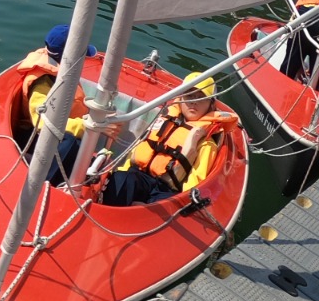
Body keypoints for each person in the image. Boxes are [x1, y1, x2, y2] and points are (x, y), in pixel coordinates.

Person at [88, 72, 238, 206]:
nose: (194, 102)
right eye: (189, 96)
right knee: (121, 179)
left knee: (162, 208)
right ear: (180, 98)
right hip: (139, 176)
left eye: (201, 98)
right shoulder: (163, 120)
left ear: (211, 104)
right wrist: (123, 171)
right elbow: (139, 149)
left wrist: (184, 203)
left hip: (167, 189)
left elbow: (195, 182)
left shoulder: (206, 142)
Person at [14, 23, 94, 144]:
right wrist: (87, 126)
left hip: (68, 125)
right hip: (39, 139)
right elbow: (42, 122)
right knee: (71, 144)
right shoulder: (41, 85)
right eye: (82, 56)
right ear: (69, 58)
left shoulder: (59, 70)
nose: (84, 60)